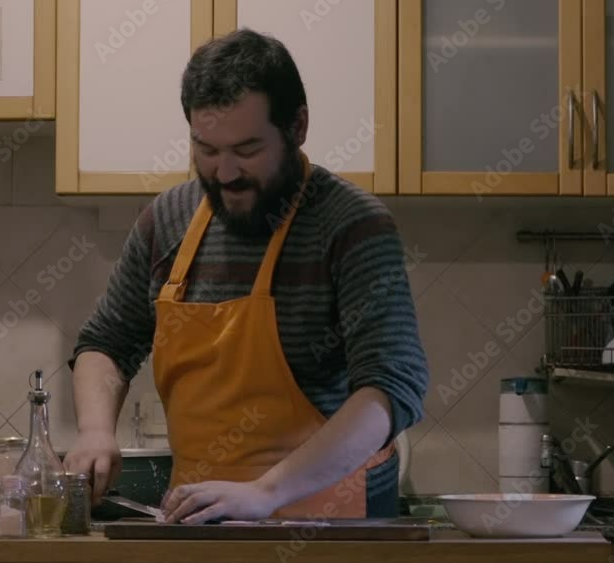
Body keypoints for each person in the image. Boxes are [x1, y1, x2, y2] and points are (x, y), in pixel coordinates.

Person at [63, 28, 428, 524]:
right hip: (199, 522)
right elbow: (106, 344)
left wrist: (266, 492)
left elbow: (391, 386)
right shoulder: (167, 220)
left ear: (298, 126)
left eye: (248, 149)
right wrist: (94, 430)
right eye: (207, 150)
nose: (225, 173)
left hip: (329, 529)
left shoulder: (350, 225)